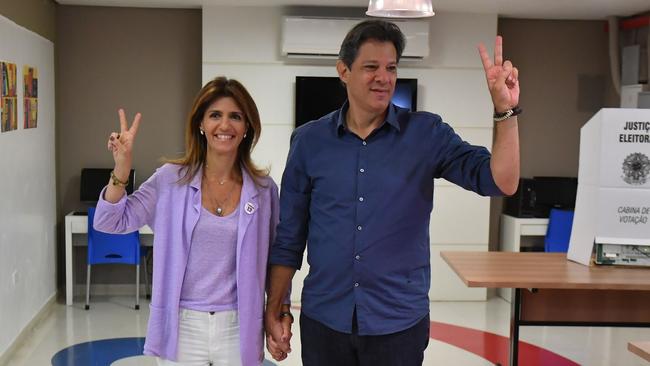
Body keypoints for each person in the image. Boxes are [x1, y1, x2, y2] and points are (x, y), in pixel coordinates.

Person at [265, 20, 520, 366]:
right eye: (371, 67)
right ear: (344, 71)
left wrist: (505, 111)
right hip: (325, 319)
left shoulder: (426, 134)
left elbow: (501, 181)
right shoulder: (310, 142)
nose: (383, 78)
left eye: (391, 68)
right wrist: (275, 309)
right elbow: (289, 237)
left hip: (398, 323)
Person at [93, 76, 291, 366]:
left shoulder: (263, 190)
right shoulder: (170, 180)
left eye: (235, 116)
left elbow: (277, 258)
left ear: (247, 127)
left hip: (239, 326)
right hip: (180, 325)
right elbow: (110, 221)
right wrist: (121, 170)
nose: (225, 125)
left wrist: (279, 312)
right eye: (215, 115)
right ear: (200, 123)